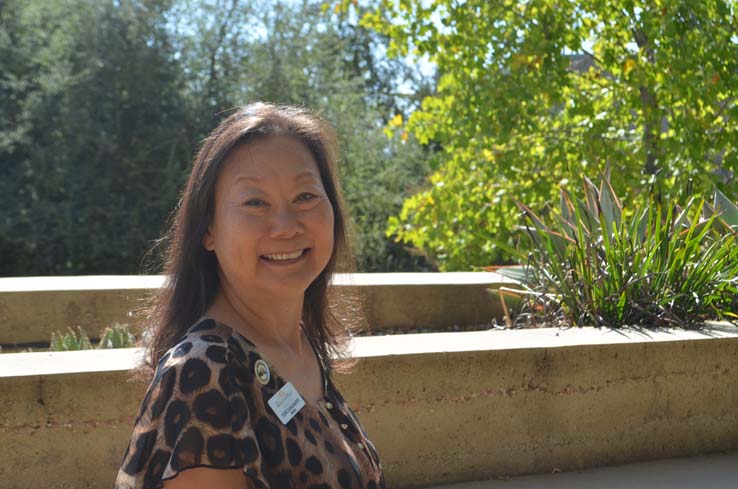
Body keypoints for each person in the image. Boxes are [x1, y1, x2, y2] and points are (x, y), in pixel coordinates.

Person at [114, 103, 385, 489]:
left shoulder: (301, 346)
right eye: (255, 202)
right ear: (208, 230)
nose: (286, 226)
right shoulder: (202, 372)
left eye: (305, 196)